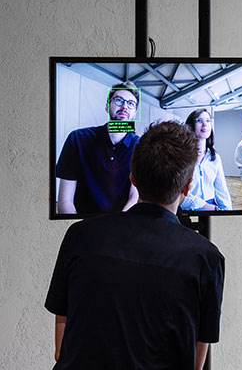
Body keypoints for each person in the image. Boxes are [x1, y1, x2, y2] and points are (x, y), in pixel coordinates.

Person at [45, 121, 225, 370]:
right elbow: (195, 363)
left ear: (132, 177)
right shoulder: (206, 258)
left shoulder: (80, 236)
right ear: (187, 186)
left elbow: (60, 350)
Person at [56, 81, 141, 214]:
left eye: (131, 104)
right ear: (107, 106)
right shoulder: (77, 139)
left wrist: (118, 226)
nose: (125, 106)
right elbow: (65, 201)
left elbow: (134, 197)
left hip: (121, 225)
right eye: (119, 100)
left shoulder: (141, 147)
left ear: (135, 113)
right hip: (83, 224)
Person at [179, 108, 233, 211]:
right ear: (190, 126)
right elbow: (179, 195)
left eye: (208, 121)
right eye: (199, 121)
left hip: (211, 208)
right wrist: (209, 208)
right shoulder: (182, 156)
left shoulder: (215, 158)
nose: (205, 125)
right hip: (187, 209)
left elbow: (221, 191)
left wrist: (228, 214)